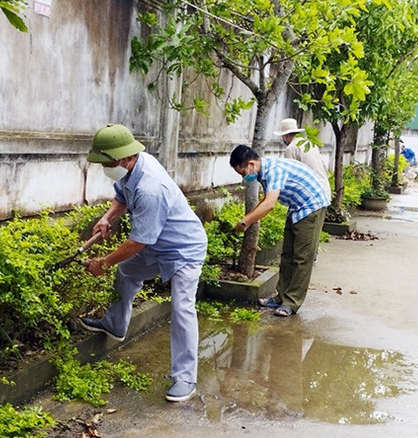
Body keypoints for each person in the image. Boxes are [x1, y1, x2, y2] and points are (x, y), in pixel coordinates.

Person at [79, 123, 208, 403]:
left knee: (182, 307)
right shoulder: (134, 165)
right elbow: (121, 198)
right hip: (157, 241)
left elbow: (138, 242)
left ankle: (185, 378)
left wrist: (103, 262)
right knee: (127, 272)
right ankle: (114, 324)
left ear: (125, 157)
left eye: (109, 162)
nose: (106, 167)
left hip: (183, 248)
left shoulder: (151, 187)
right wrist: (107, 218)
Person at [229, 145, 329, 317]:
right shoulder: (263, 173)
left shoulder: (274, 170)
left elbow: (269, 204)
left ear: (251, 164)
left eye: (243, 173)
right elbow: (264, 200)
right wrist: (248, 218)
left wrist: (245, 223)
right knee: (287, 254)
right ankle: (280, 297)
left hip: (312, 206)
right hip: (297, 207)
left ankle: (292, 302)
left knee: (302, 258)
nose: (245, 178)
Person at [273, 118, 332, 200]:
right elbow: (324, 167)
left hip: (310, 194)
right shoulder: (310, 144)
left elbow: (290, 176)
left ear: (285, 136)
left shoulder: (291, 148)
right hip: (324, 190)